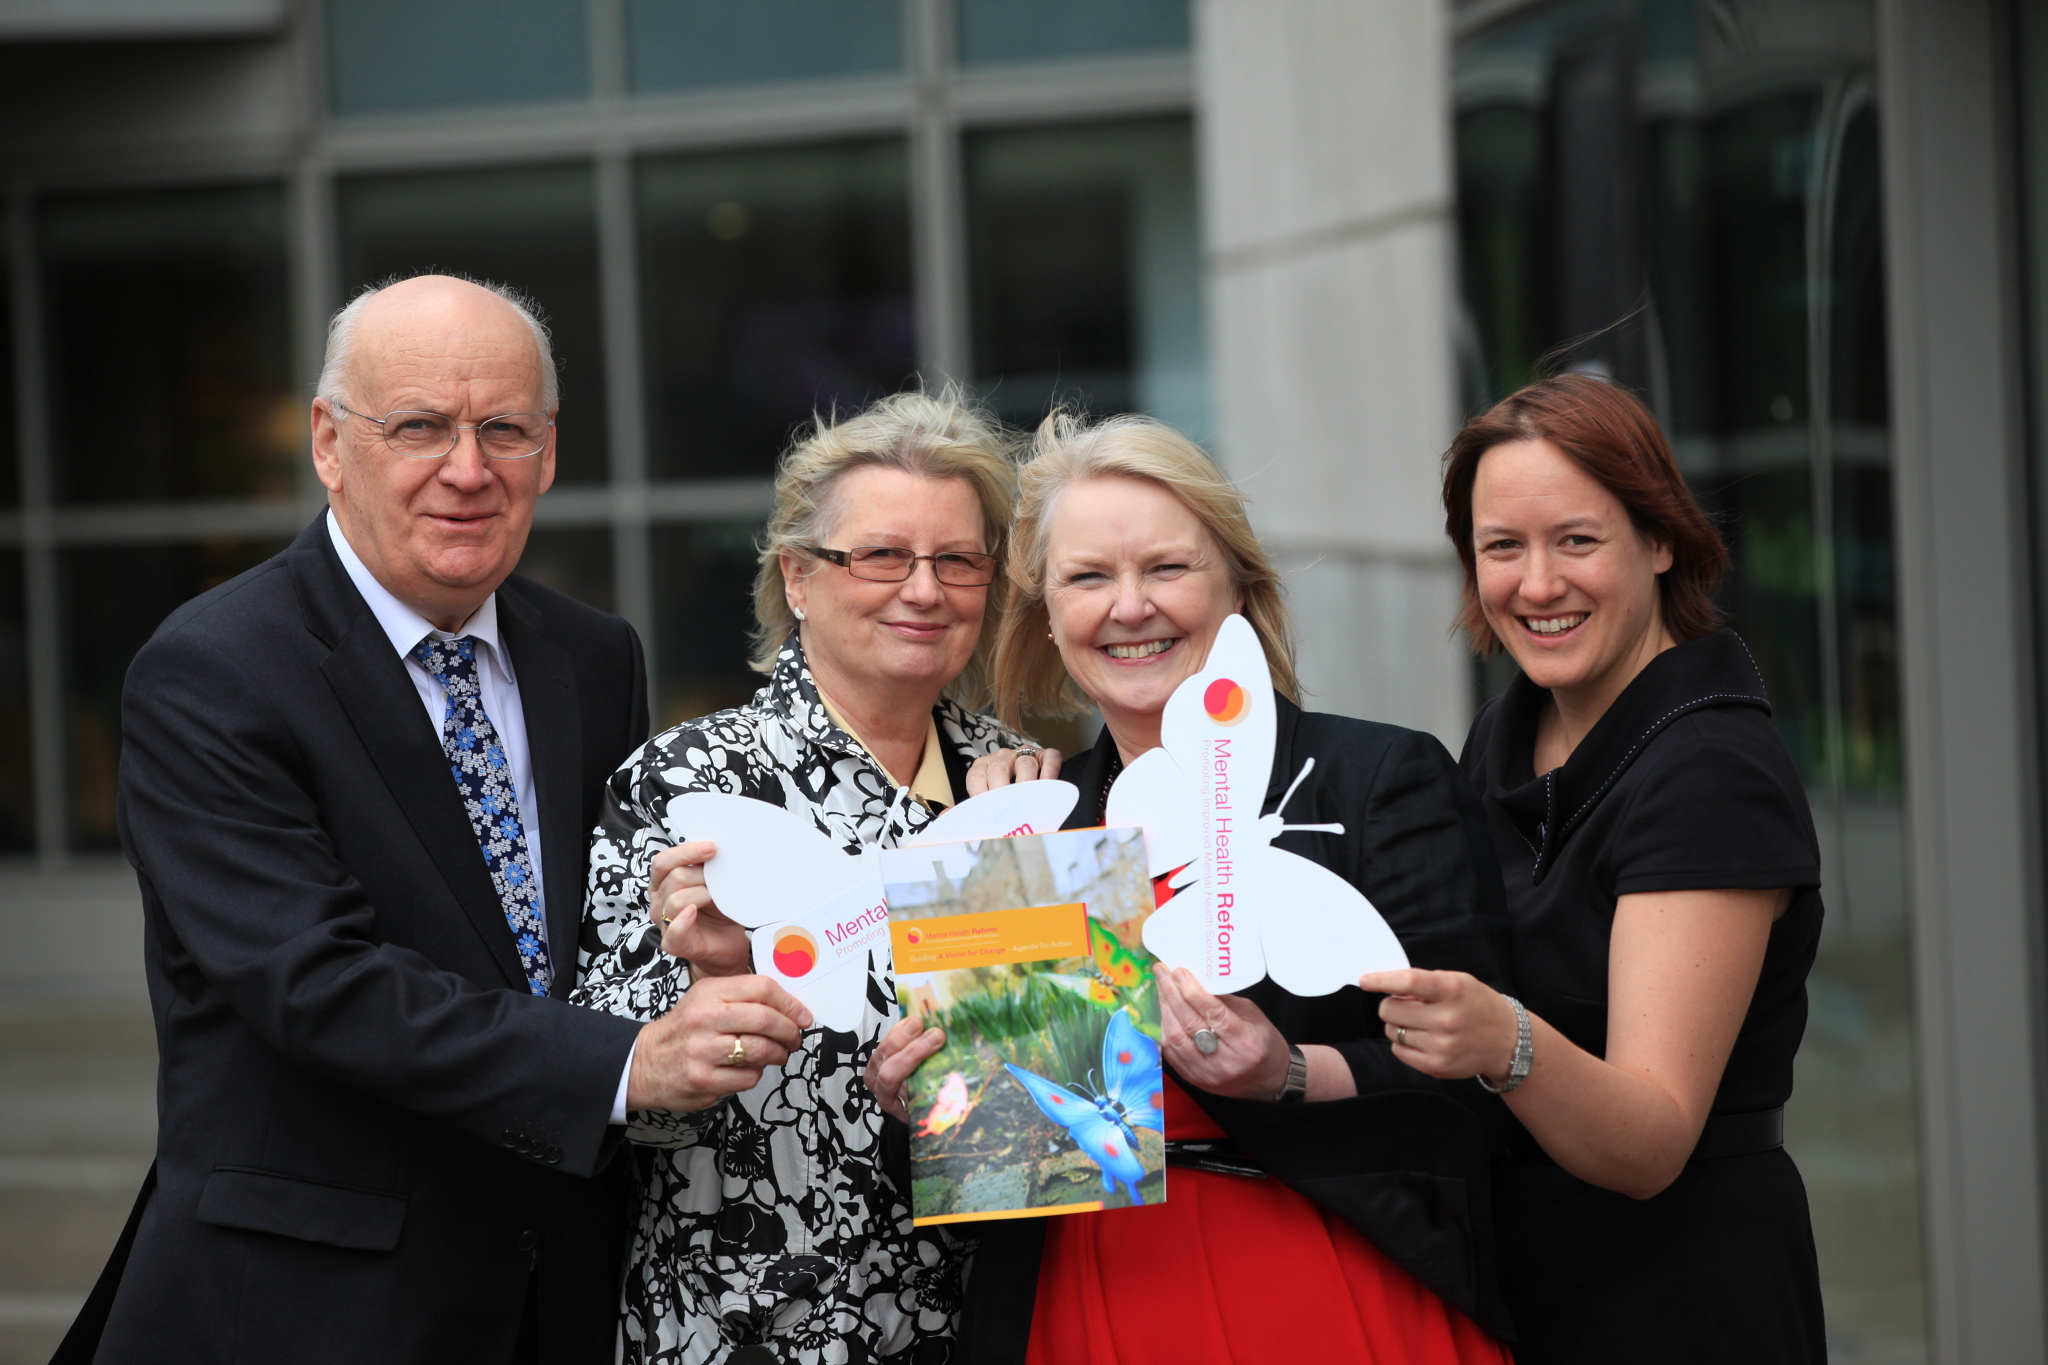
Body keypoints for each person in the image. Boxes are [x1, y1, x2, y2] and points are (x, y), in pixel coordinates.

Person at [65, 274, 808, 1365]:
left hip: (555, 1291)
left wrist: (694, 948)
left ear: (547, 453)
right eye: (419, 427)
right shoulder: (212, 670)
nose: (467, 469)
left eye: (503, 429)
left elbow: (583, 944)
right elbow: (317, 982)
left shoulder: (593, 656)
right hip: (315, 1305)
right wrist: (619, 1065)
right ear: (329, 443)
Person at [870, 413, 1518, 1364]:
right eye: (1089, 577)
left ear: (1238, 589)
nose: (1130, 607)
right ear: (1046, 613)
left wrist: (1290, 1071)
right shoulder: (1029, 833)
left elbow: (1483, 1086)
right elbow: (994, 1167)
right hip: (1088, 1303)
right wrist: (924, 1104)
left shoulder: (1376, 778)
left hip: (1326, 1285)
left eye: (1167, 568)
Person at [1362, 372, 1826, 1363]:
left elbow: (1652, 1139)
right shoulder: (1504, 734)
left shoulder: (1709, 771)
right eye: (1502, 547)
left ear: (1660, 540)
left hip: (1679, 1305)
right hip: (1526, 1288)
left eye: (1575, 540)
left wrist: (1502, 1039)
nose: (1536, 585)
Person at [573, 390, 1034, 1364]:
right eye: (882, 556)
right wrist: (710, 986)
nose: (924, 590)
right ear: (796, 577)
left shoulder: (1015, 787)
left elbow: (1047, 1123)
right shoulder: (687, 785)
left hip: (978, 1324)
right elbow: (607, 1101)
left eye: (957, 560)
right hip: (748, 1329)